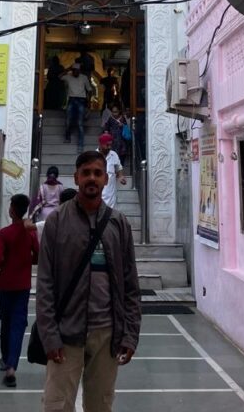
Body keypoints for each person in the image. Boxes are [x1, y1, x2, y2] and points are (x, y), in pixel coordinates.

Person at [36, 150, 141, 412]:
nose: (91, 178)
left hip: (107, 333)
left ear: (106, 179)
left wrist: (130, 333)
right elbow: (45, 283)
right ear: (76, 178)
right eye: (86, 173)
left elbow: (130, 283)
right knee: (57, 405)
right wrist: (49, 335)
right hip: (65, 331)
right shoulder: (57, 222)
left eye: (97, 173)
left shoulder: (119, 224)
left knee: (101, 404)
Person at [0, 193, 39, 388]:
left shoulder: (4, 233)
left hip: (6, 284)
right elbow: (37, 255)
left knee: (6, 322)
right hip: (23, 285)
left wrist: (6, 262)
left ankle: (5, 359)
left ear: (12, 210)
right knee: (18, 325)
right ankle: (12, 366)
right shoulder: (30, 233)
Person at [61, 61, 93, 150]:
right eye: (74, 70)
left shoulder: (84, 78)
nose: (76, 72)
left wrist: (89, 102)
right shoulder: (68, 77)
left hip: (81, 101)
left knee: (80, 123)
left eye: (78, 70)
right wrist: (68, 69)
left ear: (80, 70)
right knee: (68, 120)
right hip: (71, 100)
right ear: (73, 70)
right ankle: (67, 136)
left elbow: (89, 90)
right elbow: (59, 77)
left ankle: (80, 145)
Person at [98, 133, 126, 208]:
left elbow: (118, 167)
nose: (109, 147)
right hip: (98, 195)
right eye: (107, 145)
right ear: (100, 144)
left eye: (110, 145)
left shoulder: (114, 155)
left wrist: (121, 176)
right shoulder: (94, 156)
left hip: (111, 196)